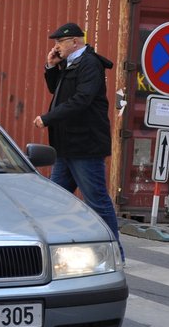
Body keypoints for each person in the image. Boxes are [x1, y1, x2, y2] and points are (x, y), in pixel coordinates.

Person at [33, 22, 124, 260]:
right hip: (65, 146)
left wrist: (47, 118)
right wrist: (51, 66)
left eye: (60, 43)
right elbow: (57, 91)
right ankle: (52, 253)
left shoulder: (90, 64)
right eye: (55, 43)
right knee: (55, 201)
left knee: (98, 202)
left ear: (75, 42)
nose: (57, 47)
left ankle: (116, 254)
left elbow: (82, 100)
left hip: (85, 145)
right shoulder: (70, 64)